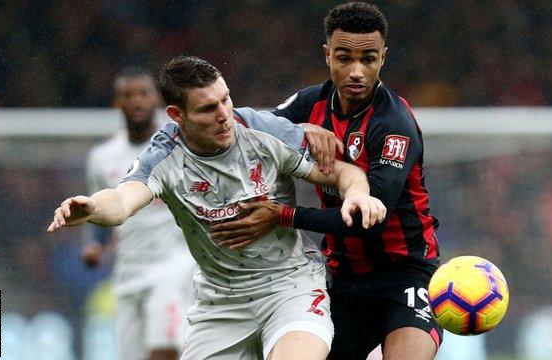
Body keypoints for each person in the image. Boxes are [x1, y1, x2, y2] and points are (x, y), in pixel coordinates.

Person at [48, 55, 386, 360]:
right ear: (177, 116)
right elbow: (122, 200)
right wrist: (91, 206)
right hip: (220, 304)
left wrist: (356, 193)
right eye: (208, 109)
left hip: (289, 288)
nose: (225, 116)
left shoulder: (261, 129)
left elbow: (344, 172)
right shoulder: (164, 156)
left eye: (225, 99)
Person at [211, 3, 442, 359]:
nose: (356, 72)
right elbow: (250, 132)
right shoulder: (310, 102)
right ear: (327, 55)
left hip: (407, 274)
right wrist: (298, 129)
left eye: (368, 59)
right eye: (344, 57)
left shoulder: (394, 124)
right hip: (344, 280)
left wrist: (283, 215)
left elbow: (369, 219)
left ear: (383, 57)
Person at [81, 66, 194, 360]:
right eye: (127, 95)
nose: (136, 101)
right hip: (127, 272)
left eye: (143, 93)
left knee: (165, 349)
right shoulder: (102, 158)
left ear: (157, 99)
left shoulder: (177, 147)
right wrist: (94, 244)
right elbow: (98, 214)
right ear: (116, 103)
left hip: (172, 267)